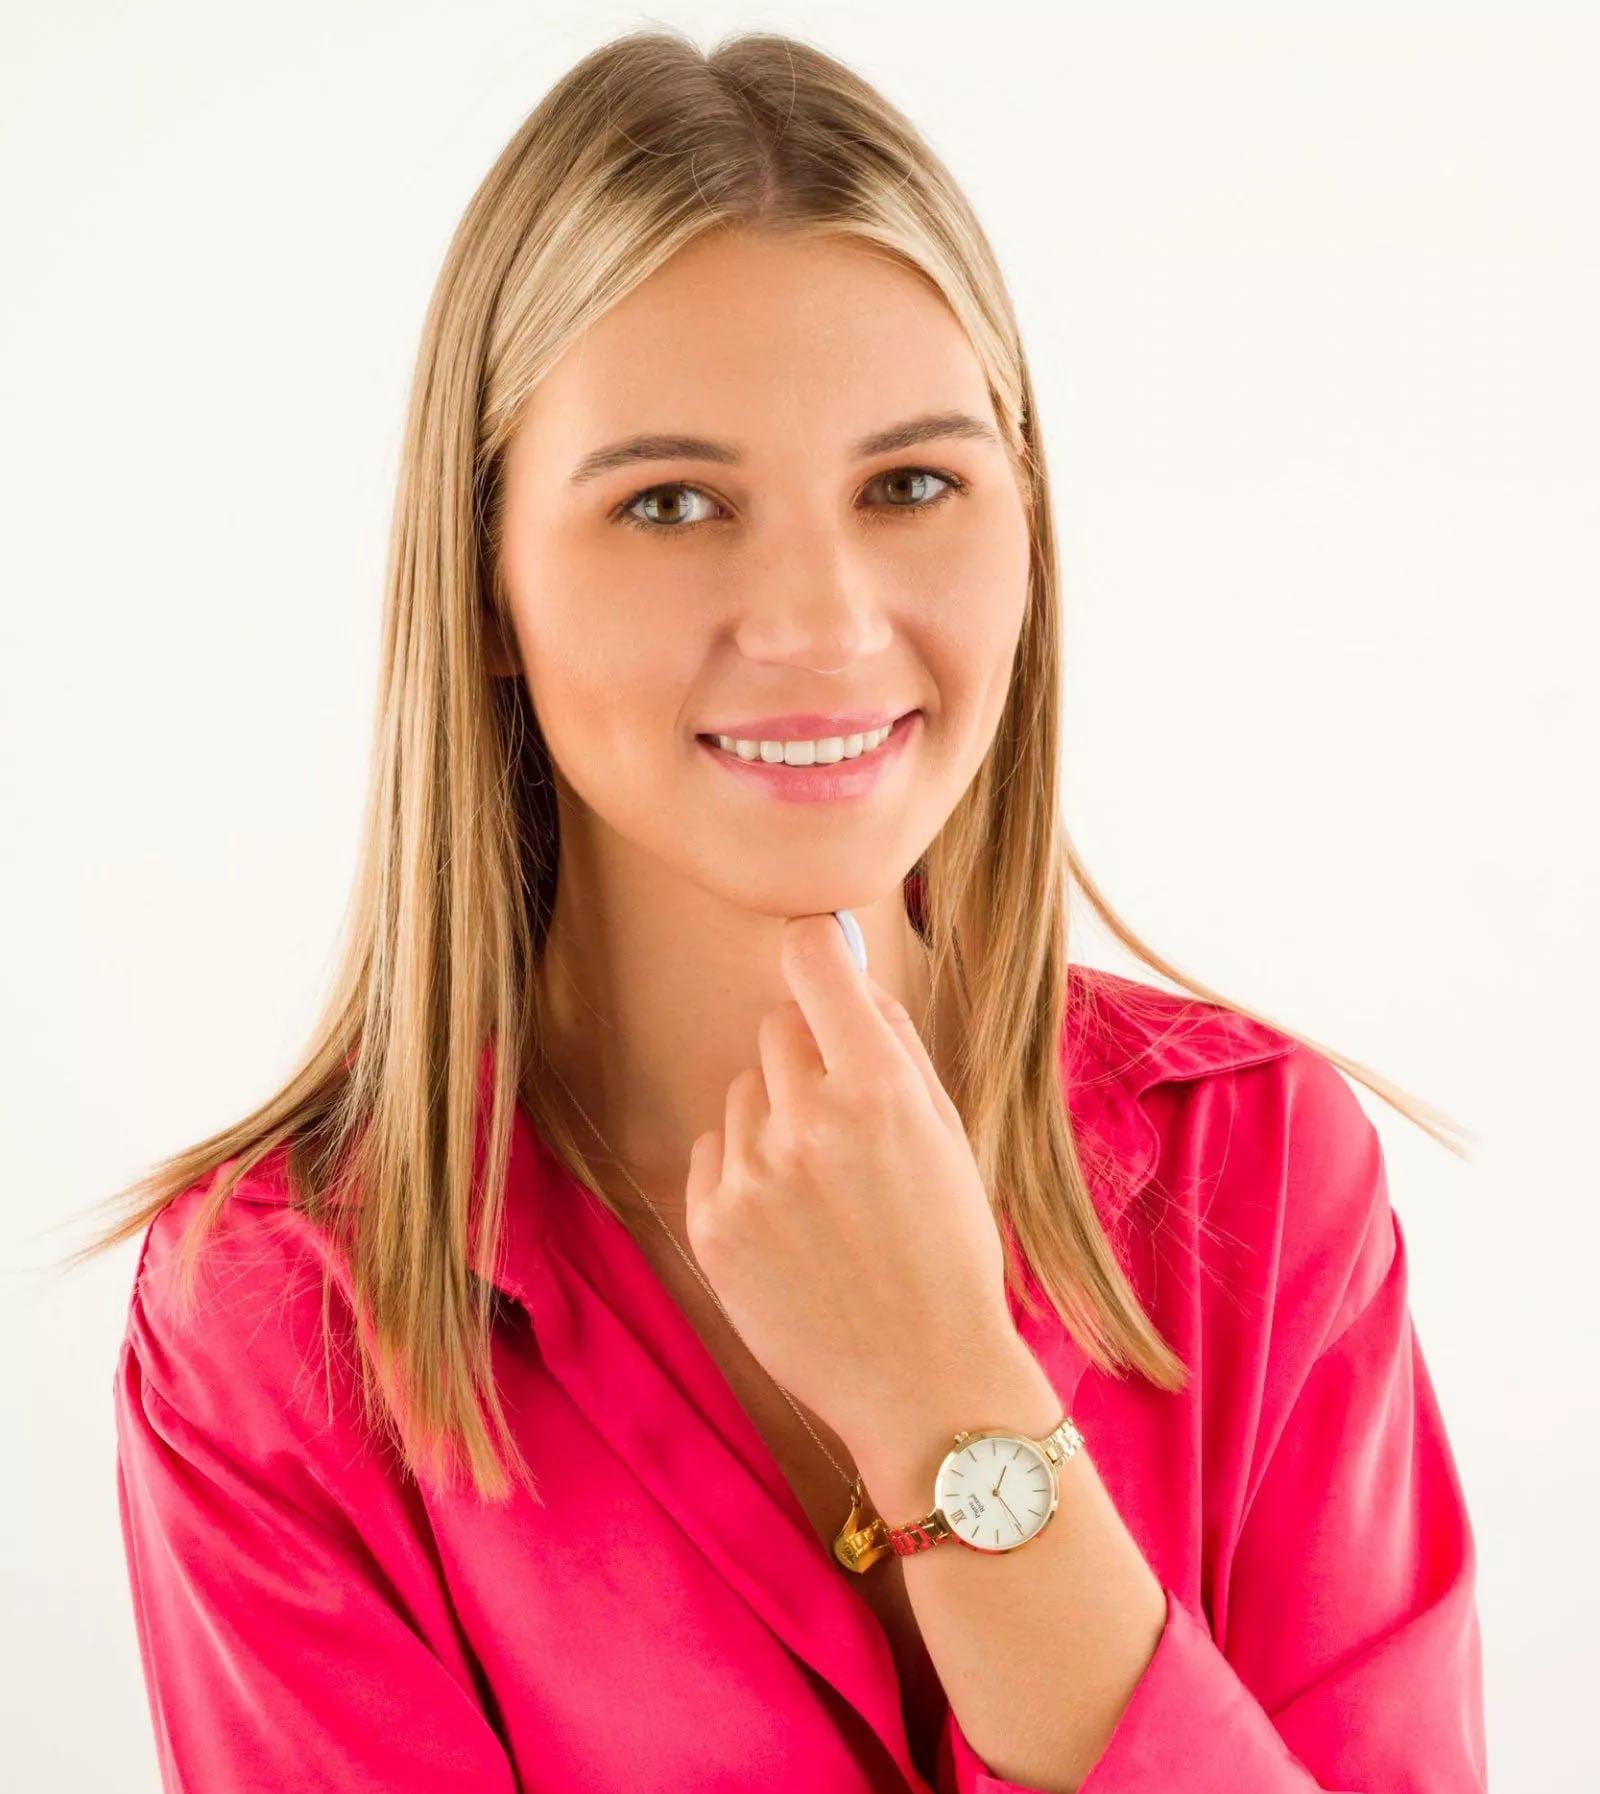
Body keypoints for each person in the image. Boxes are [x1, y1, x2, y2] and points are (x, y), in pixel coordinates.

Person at [79, 26, 1487, 1793]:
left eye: (911, 484)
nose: (821, 622)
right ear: (485, 572)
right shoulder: (275, 1317)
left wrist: (949, 1401)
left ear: (1026, 518)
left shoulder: (1259, 1170)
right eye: (670, 503)